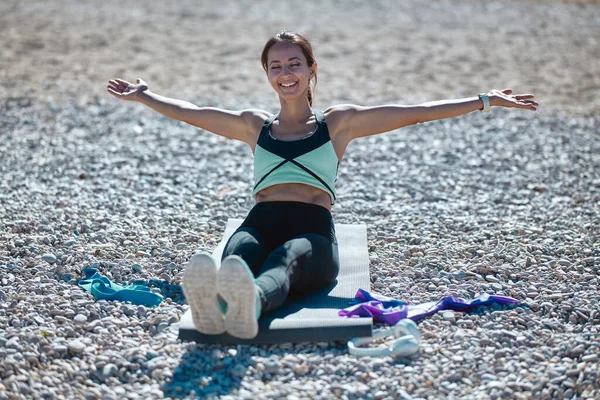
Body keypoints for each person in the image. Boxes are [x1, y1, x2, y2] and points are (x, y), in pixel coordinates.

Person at [107, 30, 538, 339]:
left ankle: (247, 305)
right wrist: (145, 95)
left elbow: (416, 111)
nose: (285, 72)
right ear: (268, 75)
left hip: (313, 228)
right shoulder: (254, 125)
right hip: (260, 217)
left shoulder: (338, 123)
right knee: (241, 253)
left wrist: (484, 101)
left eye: (294, 63)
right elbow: (192, 111)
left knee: (285, 260)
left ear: (311, 69)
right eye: (276, 66)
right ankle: (218, 301)